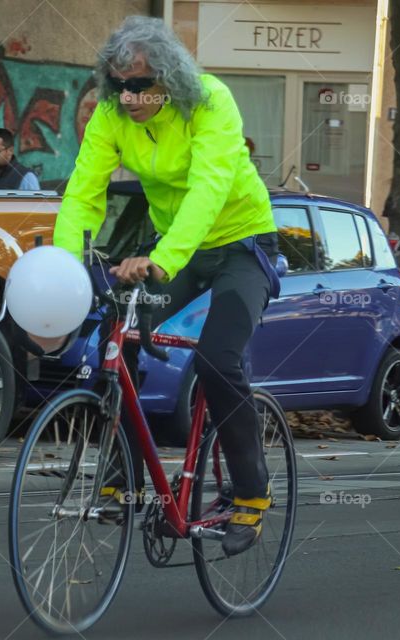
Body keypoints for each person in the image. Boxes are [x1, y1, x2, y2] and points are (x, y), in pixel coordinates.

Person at [52, 16, 279, 557]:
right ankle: (121, 478)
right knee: (116, 341)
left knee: (216, 360)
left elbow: (208, 190)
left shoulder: (211, 102)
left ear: (169, 78)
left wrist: (161, 260)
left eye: (140, 84)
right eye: (119, 85)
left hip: (241, 245)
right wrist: (65, 268)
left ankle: (252, 492)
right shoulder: (111, 114)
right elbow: (84, 191)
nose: (128, 97)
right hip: (173, 247)